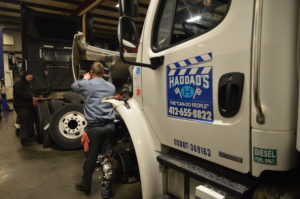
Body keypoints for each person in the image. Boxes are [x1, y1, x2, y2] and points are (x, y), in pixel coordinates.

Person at [72, 62, 116, 199]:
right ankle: (106, 191)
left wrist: (85, 79)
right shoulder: (111, 86)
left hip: (95, 128)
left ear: (91, 72)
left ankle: (85, 184)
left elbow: (74, 86)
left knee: (90, 158)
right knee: (106, 158)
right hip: (109, 126)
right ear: (103, 73)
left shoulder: (87, 84)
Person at [13, 71, 37, 146]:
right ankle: (24, 140)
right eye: (29, 78)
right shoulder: (18, 84)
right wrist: (32, 97)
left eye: (31, 78)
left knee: (30, 122)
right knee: (24, 123)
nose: (30, 79)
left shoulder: (28, 84)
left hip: (28, 106)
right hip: (21, 106)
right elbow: (21, 94)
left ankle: (28, 137)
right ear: (25, 76)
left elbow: (31, 92)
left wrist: (36, 96)